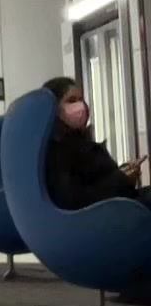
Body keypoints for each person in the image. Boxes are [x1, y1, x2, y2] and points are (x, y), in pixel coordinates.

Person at [43, 77, 151, 211]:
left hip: (120, 205)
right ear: (53, 109)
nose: (80, 106)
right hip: (103, 216)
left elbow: (100, 180)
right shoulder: (55, 151)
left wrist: (125, 172)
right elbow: (74, 201)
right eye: (71, 100)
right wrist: (121, 178)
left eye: (81, 99)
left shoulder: (82, 143)